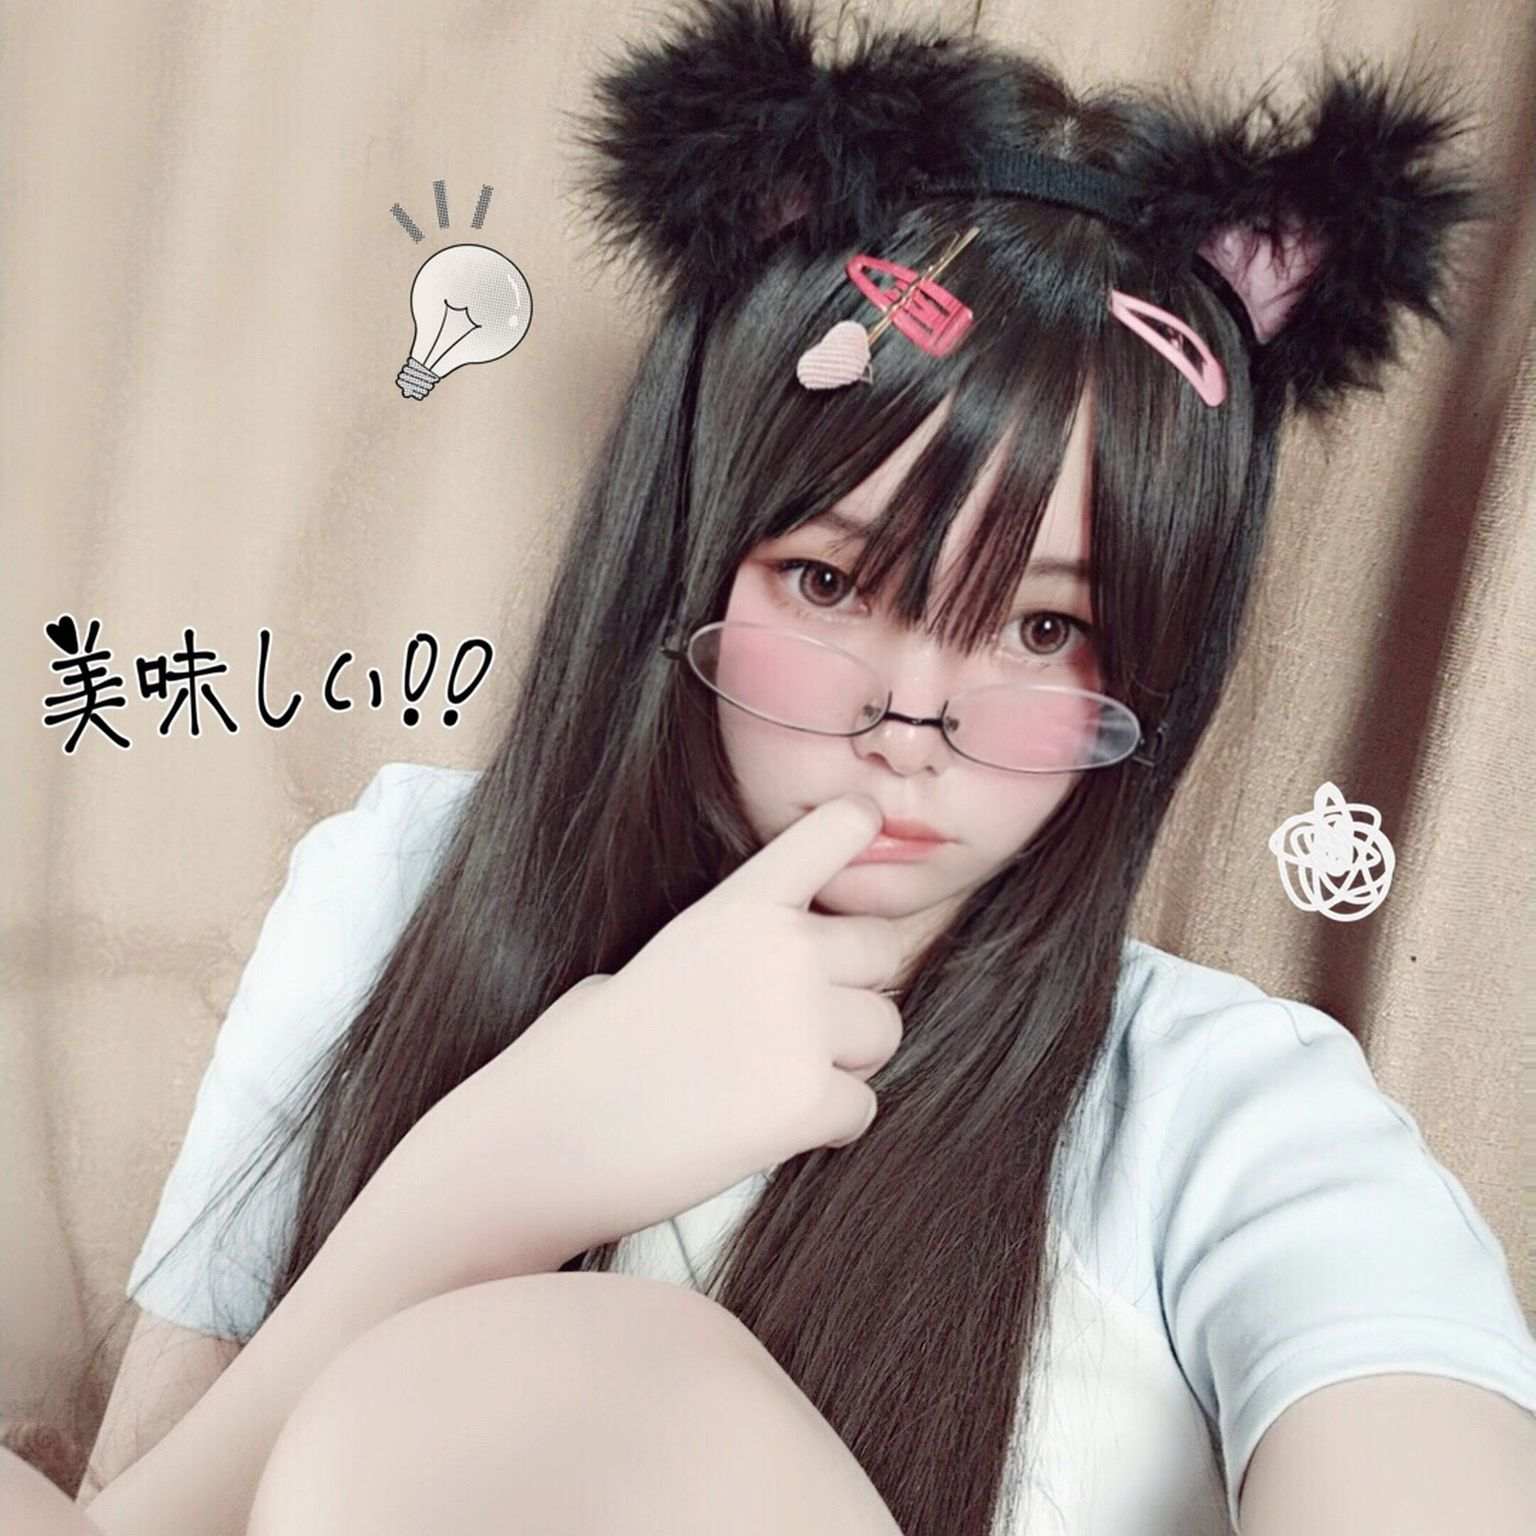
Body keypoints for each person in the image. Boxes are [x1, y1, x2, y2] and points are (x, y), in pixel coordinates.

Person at [51, 2, 1536, 1534]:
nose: (914, 717)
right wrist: (486, 1181)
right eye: (832, 583)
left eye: (1043, 628)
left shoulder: (1234, 1116)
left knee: (556, 1387)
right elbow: (134, 1514)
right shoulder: (403, 885)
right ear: (692, 549)